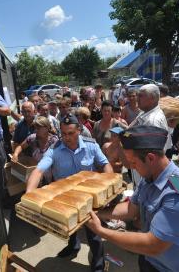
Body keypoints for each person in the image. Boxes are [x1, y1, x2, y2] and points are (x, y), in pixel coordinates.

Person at [86, 125, 179, 272]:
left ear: (150, 158)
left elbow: (153, 245)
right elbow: (131, 209)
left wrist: (101, 231)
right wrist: (97, 214)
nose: (131, 167)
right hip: (149, 261)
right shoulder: (150, 176)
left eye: (133, 163)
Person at [26, 114, 113, 272]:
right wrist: (29, 194)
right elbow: (38, 171)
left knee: (93, 234)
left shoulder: (91, 145)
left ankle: (99, 264)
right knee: (68, 227)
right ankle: (73, 247)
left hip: (89, 198)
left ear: (79, 130)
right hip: (65, 198)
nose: (67, 138)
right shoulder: (55, 150)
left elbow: (105, 165)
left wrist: (107, 188)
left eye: (71, 133)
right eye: (64, 133)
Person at [129, 84, 171, 187]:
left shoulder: (153, 121)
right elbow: (130, 129)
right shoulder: (144, 113)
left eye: (141, 96)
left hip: (148, 172)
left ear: (152, 98)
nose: (137, 99)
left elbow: (153, 155)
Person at [12, 116, 58, 184]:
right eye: (35, 127)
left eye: (38, 128)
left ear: (47, 128)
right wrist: (15, 154)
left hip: (53, 178)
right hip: (37, 176)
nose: (36, 130)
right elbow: (20, 147)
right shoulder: (32, 138)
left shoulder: (54, 141)